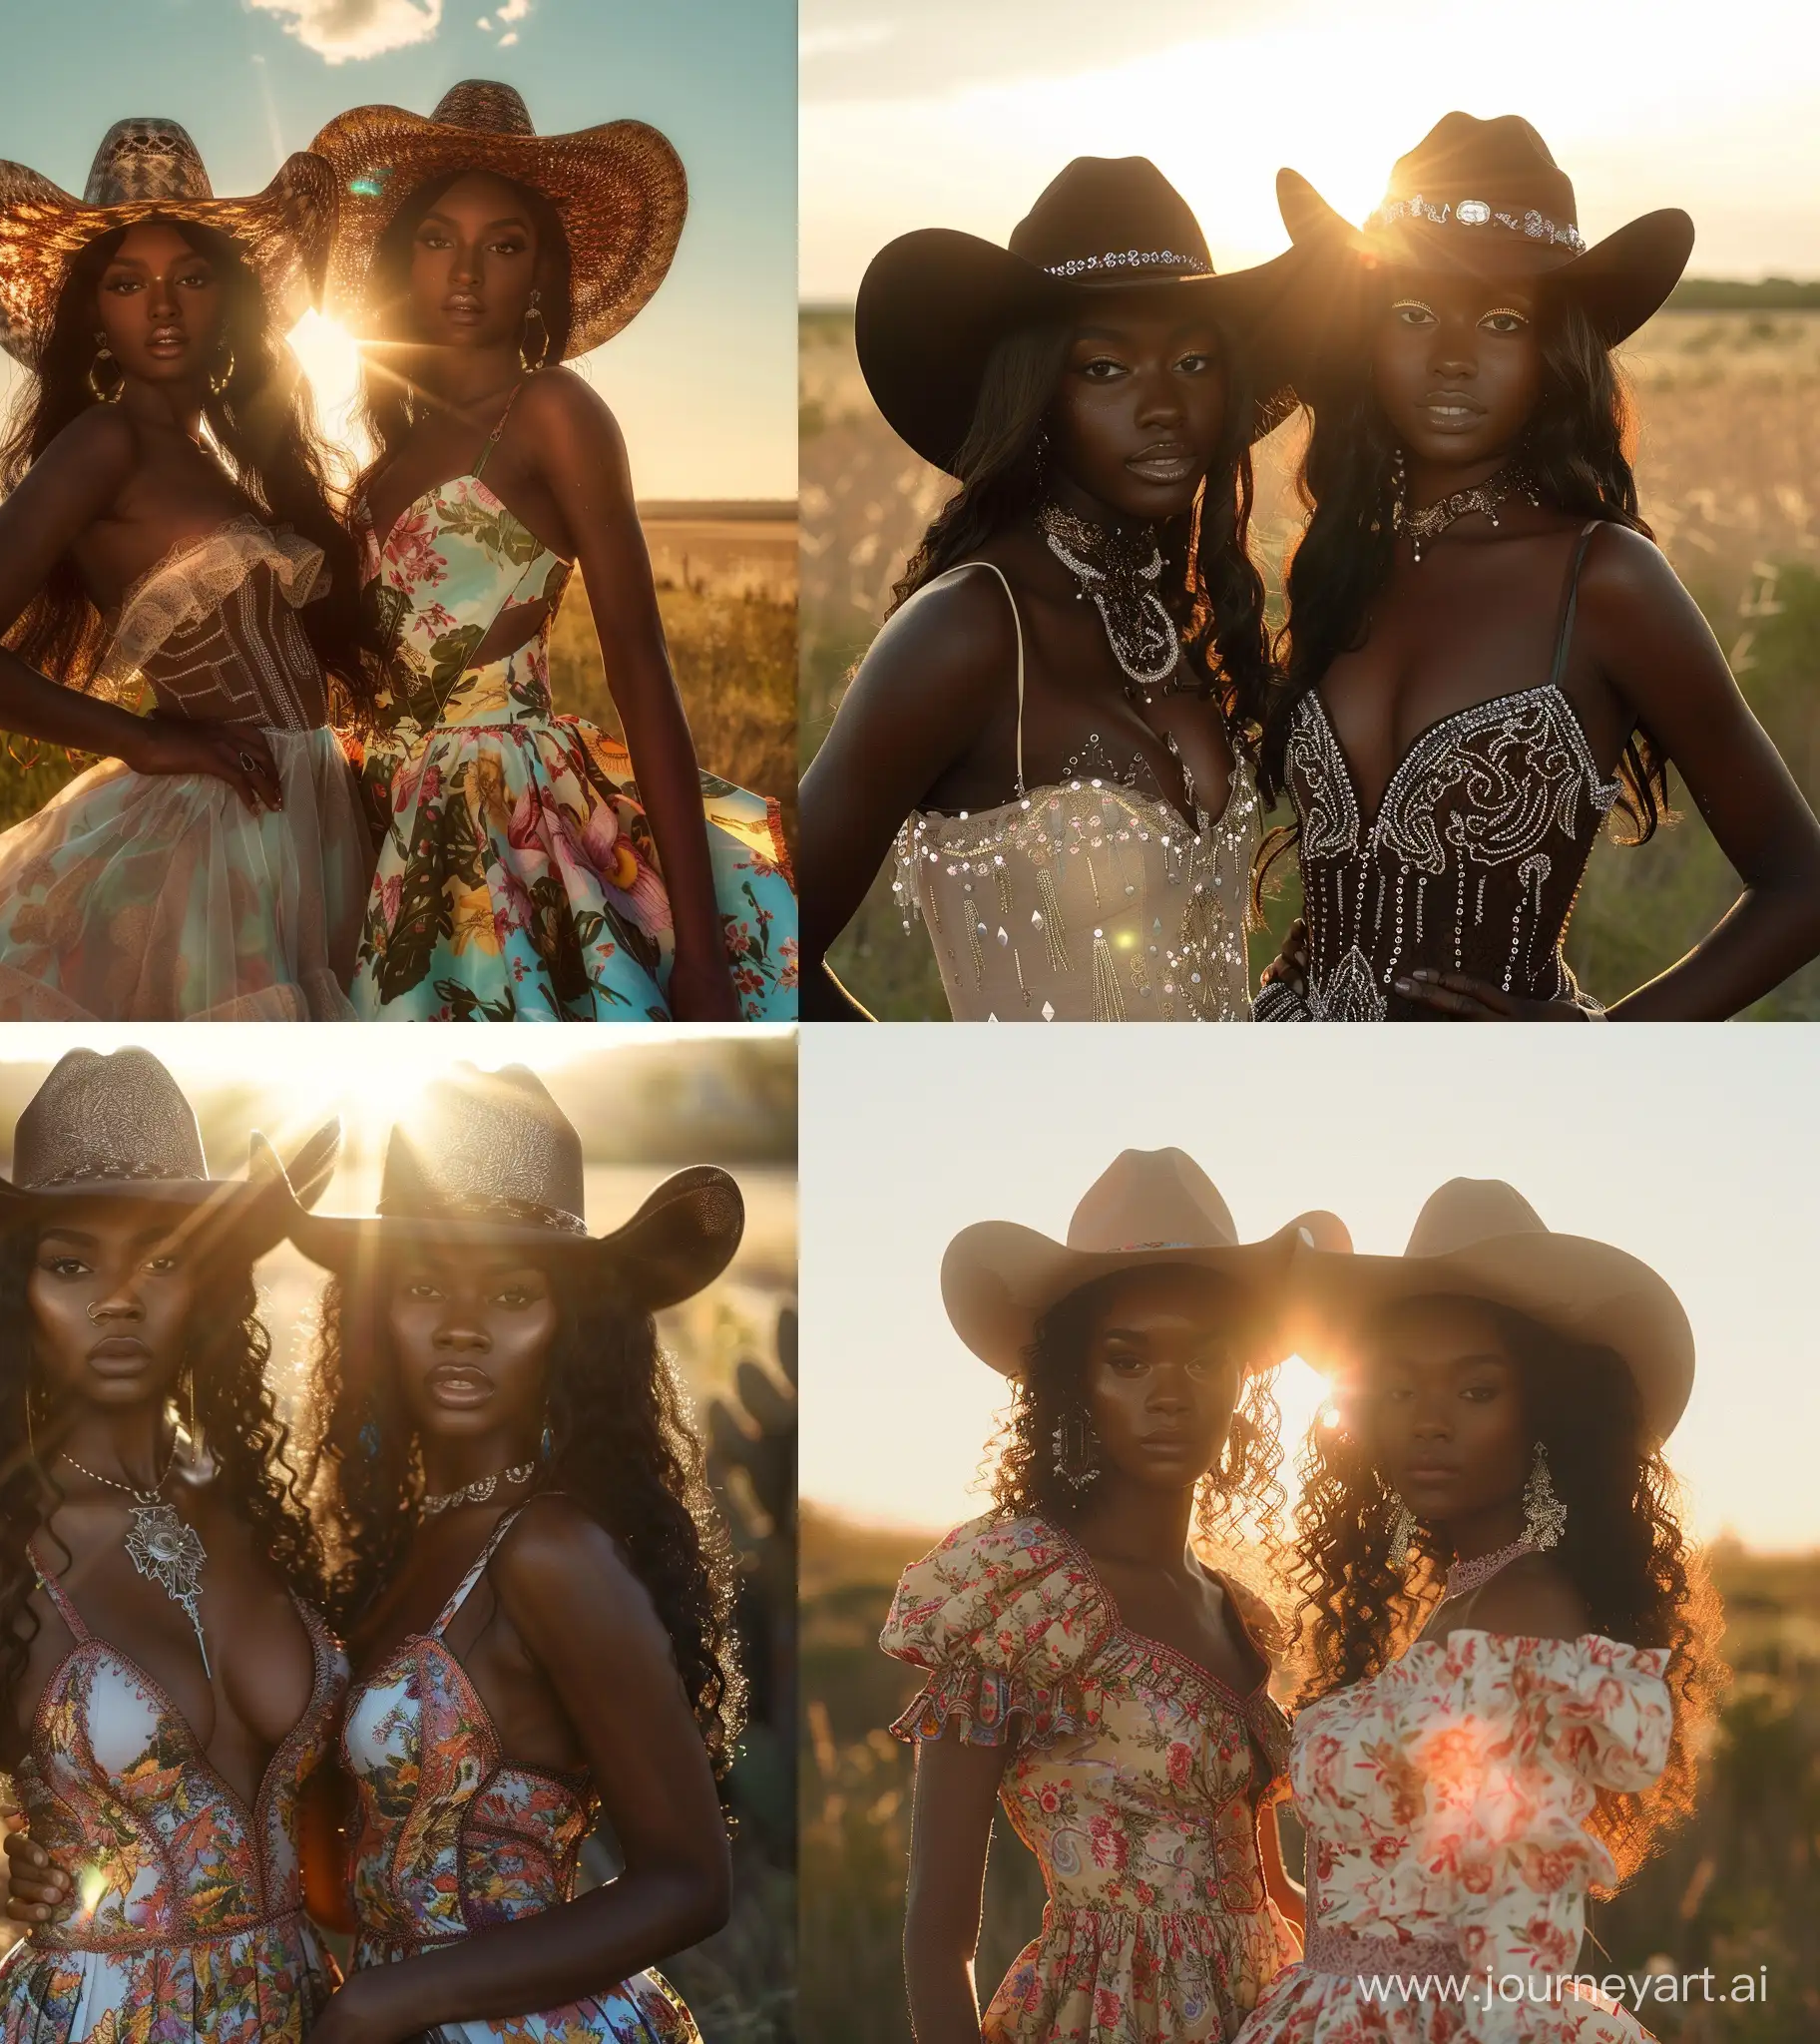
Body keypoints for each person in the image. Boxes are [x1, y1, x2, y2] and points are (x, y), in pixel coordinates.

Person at [1254, 114, 1820, 1021]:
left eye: (1500, 320)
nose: (1449, 357)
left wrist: (1606, 1051)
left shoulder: (1604, 581)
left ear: (1553, 351)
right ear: (1365, 334)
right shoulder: (1338, 557)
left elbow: (1802, 884)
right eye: (1412, 312)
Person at [0, 120, 380, 1022]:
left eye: (191, 277)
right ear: (96, 314)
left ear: (227, 299)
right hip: (219, 831)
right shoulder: (104, 440)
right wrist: (147, 740)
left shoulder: (213, 458)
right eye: (128, 283)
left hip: (311, 816)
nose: (163, 307)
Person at [0, 1049, 347, 2042]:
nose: (119, 1297)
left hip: (309, 2011)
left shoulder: (276, 1525)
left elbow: (343, 1849)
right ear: (11, 1297)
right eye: (70, 1263)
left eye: (162, 1258)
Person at [310, 82, 797, 1021]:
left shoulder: (553, 414)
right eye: (437, 238)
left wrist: (700, 953)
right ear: (401, 263)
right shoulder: (385, 461)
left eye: (504, 245)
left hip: (510, 825)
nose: (466, 272)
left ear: (540, 273)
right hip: (381, 824)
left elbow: (641, 664)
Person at [801, 159, 1303, 1021]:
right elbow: (771, 953)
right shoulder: (968, 627)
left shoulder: (1174, 611)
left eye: (1193, 361)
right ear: (1036, 394)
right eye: (1105, 369)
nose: (1163, 407)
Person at [298, 1065, 735, 2036]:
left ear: (569, 1326)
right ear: (374, 1312)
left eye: (510, 1292)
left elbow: (691, 1880)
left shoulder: (548, 1547)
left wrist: (396, 1994)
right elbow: (345, 1884)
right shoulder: (403, 1544)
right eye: (421, 1285)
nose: (461, 1326)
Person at [1235, 1178, 1724, 2041]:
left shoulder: (1523, 1617)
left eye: (1475, 1391)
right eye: (1399, 1389)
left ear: (1542, 1414)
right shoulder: (1475, 1595)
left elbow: (1517, 1948)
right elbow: (1415, 1898)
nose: (1430, 1422)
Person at [882, 1151, 1347, 2040]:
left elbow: (1276, 1891)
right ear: (1074, 1383)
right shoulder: (1020, 1592)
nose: (1169, 1395)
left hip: (1269, 2014)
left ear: (1243, 1381)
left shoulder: (1237, 1612)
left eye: (1204, 1362)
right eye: (1127, 1361)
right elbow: (937, 1942)